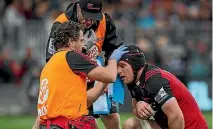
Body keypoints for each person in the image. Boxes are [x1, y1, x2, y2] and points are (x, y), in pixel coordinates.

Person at [32, 21, 128, 129]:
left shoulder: (49, 65)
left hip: (47, 125)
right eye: (81, 41)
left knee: (91, 122)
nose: (83, 46)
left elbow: (84, 101)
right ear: (71, 42)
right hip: (65, 125)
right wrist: (113, 58)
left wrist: (102, 83)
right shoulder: (72, 56)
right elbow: (110, 76)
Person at [46, 0, 123, 129]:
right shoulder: (61, 24)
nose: (89, 21)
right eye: (86, 16)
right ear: (78, 8)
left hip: (95, 71)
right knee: (81, 119)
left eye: (94, 17)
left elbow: (114, 48)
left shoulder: (105, 20)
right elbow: (52, 60)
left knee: (111, 116)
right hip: (71, 78)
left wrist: (105, 75)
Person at [117, 45, 208, 129]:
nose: (119, 71)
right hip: (168, 125)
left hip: (189, 127)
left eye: (122, 66)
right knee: (130, 125)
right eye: (117, 67)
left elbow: (176, 116)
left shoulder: (154, 81)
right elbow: (137, 113)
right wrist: (138, 106)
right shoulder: (135, 81)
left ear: (135, 65)